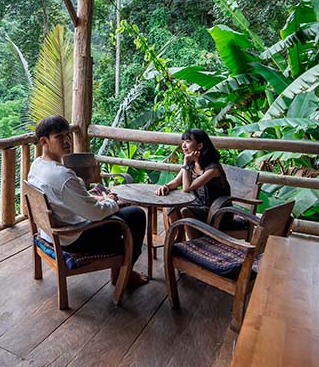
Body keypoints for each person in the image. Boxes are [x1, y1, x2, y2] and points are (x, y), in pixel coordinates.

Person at [28, 115, 148, 287]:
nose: (67, 141)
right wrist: (112, 202)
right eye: (59, 137)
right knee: (135, 215)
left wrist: (99, 200)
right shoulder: (62, 176)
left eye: (67, 134)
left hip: (49, 233)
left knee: (118, 209)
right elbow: (95, 213)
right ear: (44, 141)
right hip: (72, 239)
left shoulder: (37, 165)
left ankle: (122, 269)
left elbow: (65, 199)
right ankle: (125, 274)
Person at [156, 128, 231, 231]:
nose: (183, 145)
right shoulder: (192, 164)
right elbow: (177, 181)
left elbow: (187, 188)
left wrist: (186, 162)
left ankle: (194, 240)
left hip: (217, 212)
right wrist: (166, 187)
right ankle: (178, 237)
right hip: (198, 206)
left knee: (185, 211)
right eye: (183, 142)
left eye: (187, 141)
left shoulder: (213, 169)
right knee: (171, 207)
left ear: (200, 146)